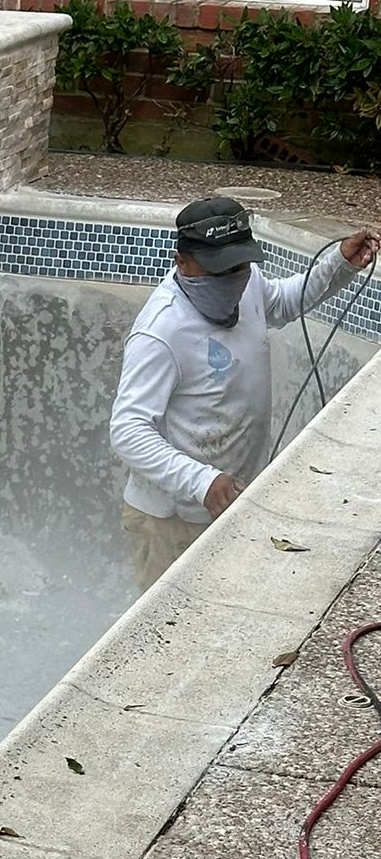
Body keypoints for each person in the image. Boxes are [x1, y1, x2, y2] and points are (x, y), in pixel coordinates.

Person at [110, 197, 380, 593]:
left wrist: (338, 265)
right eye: (218, 269)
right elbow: (129, 431)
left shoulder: (247, 281)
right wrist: (200, 480)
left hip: (232, 500)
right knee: (177, 632)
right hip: (171, 521)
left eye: (238, 266)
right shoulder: (161, 331)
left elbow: (282, 302)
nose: (232, 278)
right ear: (181, 262)